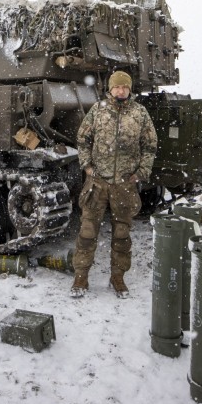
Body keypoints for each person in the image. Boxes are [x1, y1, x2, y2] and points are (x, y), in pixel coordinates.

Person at [70, 70, 158, 299]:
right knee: (87, 232)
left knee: (121, 234)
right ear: (110, 89)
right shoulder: (98, 111)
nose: (121, 91)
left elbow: (150, 145)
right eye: (117, 87)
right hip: (97, 182)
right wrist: (87, 166)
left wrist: (141, 172)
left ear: (129, 89)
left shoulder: (139, 113)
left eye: (125, 87)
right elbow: (82, 139)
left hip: (124, 185)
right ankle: (81, 276)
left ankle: (117, 277)